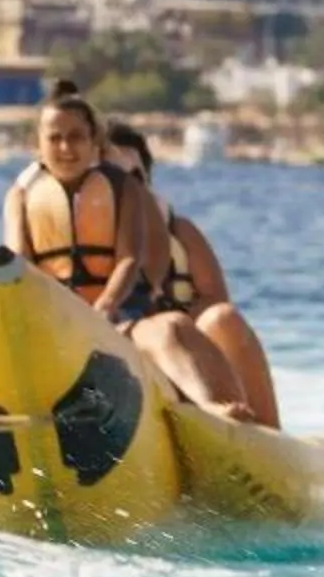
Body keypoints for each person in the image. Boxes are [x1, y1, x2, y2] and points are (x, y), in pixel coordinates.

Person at [3, 82, 256, 420]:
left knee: (170, 328)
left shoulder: (125, 190)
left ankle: (207, 410)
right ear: (38, 144)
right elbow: (19, 261)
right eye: (55, 138)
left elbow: (129, 258)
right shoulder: (21, 196)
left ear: (94, 143)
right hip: (56, 323)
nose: (65, 147)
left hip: (118, 320)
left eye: (76, 137)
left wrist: (105, 306)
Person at [105, 121, 282, 429]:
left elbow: (215, 298)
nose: (127, 188)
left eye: (135, 177)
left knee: (224, 319)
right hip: (123, 354)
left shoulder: (180, 234)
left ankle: (268, 439)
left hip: (184, 351)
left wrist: (176, 320)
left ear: (147, 180)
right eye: (116, 178)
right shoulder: (79, 237)